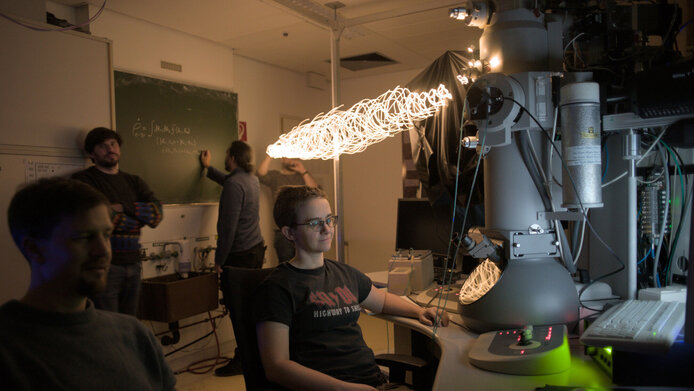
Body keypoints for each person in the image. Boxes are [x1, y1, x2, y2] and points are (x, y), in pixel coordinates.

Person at [254, 186, 450, 391]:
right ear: (289, 232)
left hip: (374, 383)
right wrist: (344, 389)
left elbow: (381, 301)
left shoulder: (344, 273)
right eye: (314, 223)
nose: (327, 229)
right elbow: (276, 367)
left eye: (329, 219)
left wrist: (419, 311)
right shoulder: (276, 288)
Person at [0, 177, 176, 390]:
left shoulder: (135, 335)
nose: (104, 250)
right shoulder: (9, 350)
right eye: (83, 237)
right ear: (35, 249)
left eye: (107, 235)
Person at [71, 127, 163, 315]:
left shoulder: (134, 181)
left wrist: (121, 207)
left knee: (130, 324)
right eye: (102, 146)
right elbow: (91, 218)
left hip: (134, 264)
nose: (110, 149)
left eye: (113, 144)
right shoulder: (83, 180)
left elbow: (156, 214)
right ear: (91, 153)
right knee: (107, 325)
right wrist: (136, 219)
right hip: (102, 266)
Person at [199, 140, 265, 377]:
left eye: (227, 156)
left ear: (233, 158)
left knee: (239, 311)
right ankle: (255, 355)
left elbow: (227, 228)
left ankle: (243, 361)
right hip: (256, 250)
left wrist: (219, 260)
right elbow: (228, 182)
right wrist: (208, 170)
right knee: (251, 308)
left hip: (239, 257)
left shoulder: (234, 185)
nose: (225, 159)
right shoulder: (250, 179)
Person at [257, 153, 318, 263]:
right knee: (286, 267)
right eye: (287, 156)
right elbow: (260, 174)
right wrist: (270, 154)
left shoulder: (302, 176)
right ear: (282, 159)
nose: (290, 159)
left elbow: (315, 191)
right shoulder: (276, 176)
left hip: (303, 228)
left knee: (305, 264)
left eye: (292, 156)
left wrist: (303, 170)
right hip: (282, 232)